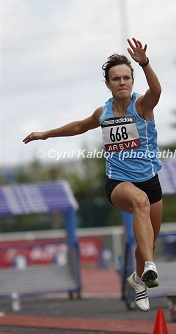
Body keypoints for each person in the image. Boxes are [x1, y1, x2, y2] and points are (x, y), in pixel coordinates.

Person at [23, 37, 163, 312]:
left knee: (148, 242)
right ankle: (149, 267)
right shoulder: (104, 112)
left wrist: (145, 63)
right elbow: (79, 126)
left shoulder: (143, 106)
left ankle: (138, 280)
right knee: (139, 203)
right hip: (119, 183)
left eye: (126, 77)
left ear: (133, 81)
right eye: (115, 79)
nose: (121, 82)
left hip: (150, 181)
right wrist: (46, 134)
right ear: (108, 84)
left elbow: (157, 91)